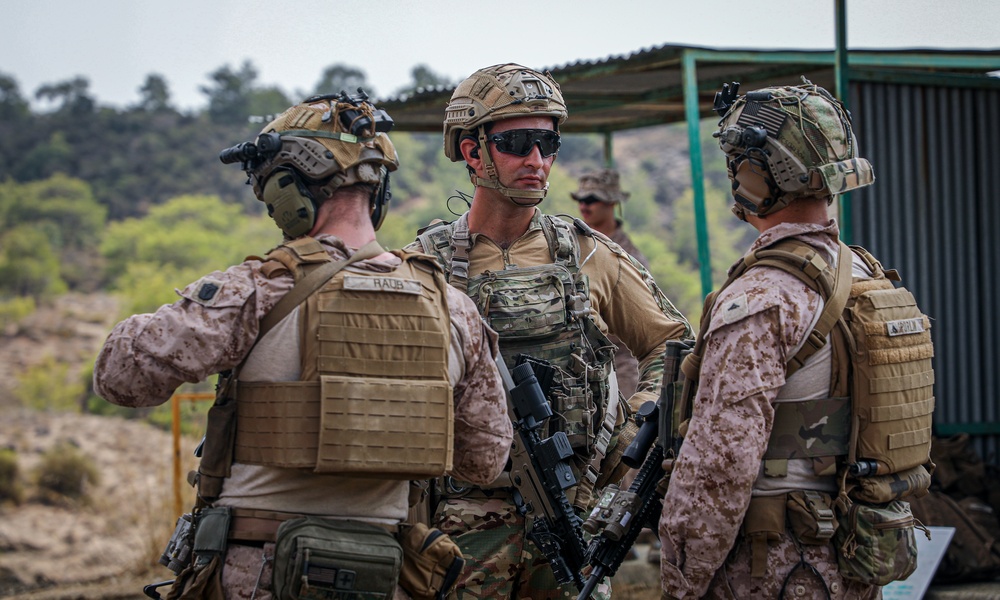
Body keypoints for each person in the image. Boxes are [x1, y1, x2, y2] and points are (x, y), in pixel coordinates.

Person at [93, 92, 513, 600]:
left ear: (287, 187)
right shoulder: (454, 309)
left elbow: (120, 378)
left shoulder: (256, 290)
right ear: (377, 187)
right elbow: (483, 461)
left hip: (260, 574)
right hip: (388, 578)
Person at [407, 63, 692, 600]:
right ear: (473, 152)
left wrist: (634, 430)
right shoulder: (425, 265)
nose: (537, 160)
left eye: (548, 142)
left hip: (572, 514)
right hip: (462, 521)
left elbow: (674, 344)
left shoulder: (588, 254)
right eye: (517, 142)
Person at [658, 81, 891, 599]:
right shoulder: (866, 277)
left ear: (755, 177)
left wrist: (681, 578)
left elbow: (720, 465)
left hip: (773, 569)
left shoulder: (761, 298)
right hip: (851, 561)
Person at [572, 167, 649, 399]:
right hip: (580, 358)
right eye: (580, 199)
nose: (584, 206)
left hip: (620, 361)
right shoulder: (572, 246)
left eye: (592, 199)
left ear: (612, 203)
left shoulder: (628, 256)